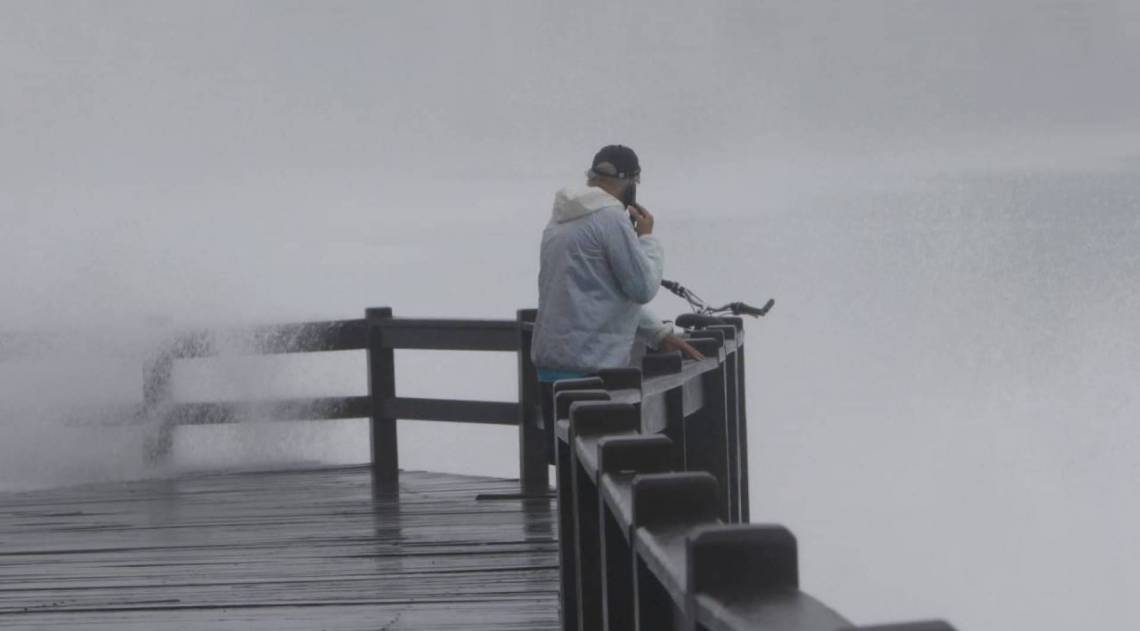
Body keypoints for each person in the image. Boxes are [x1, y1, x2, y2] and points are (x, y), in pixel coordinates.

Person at [531, 145, 705, 430]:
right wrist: (647, 239)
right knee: (600, 460)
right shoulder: (610, 218)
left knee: (570, 464)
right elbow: (642, 288)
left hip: (551, 369)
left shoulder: (560, 219)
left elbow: (597, 292)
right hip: (592, 370)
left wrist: (656, 333)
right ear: (630, 182)